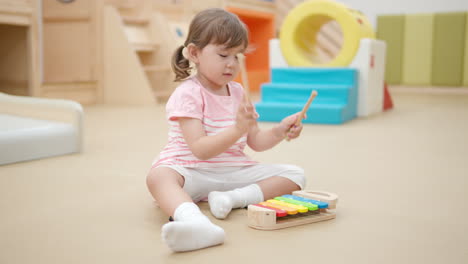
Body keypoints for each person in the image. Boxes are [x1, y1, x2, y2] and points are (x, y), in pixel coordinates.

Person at [146, 8, 306, 252]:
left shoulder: (239, 93)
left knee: (295, 175)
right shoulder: (187, 93)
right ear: (194, 53)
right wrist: (236, 128)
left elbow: (256, 141)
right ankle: (195, 222)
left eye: (237, 56)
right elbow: (199, 150)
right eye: (223, 55)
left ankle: (233, 199)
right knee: (158, 177)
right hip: (190, 171)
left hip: (232, 173)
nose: (231, 63)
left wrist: (280, 131)